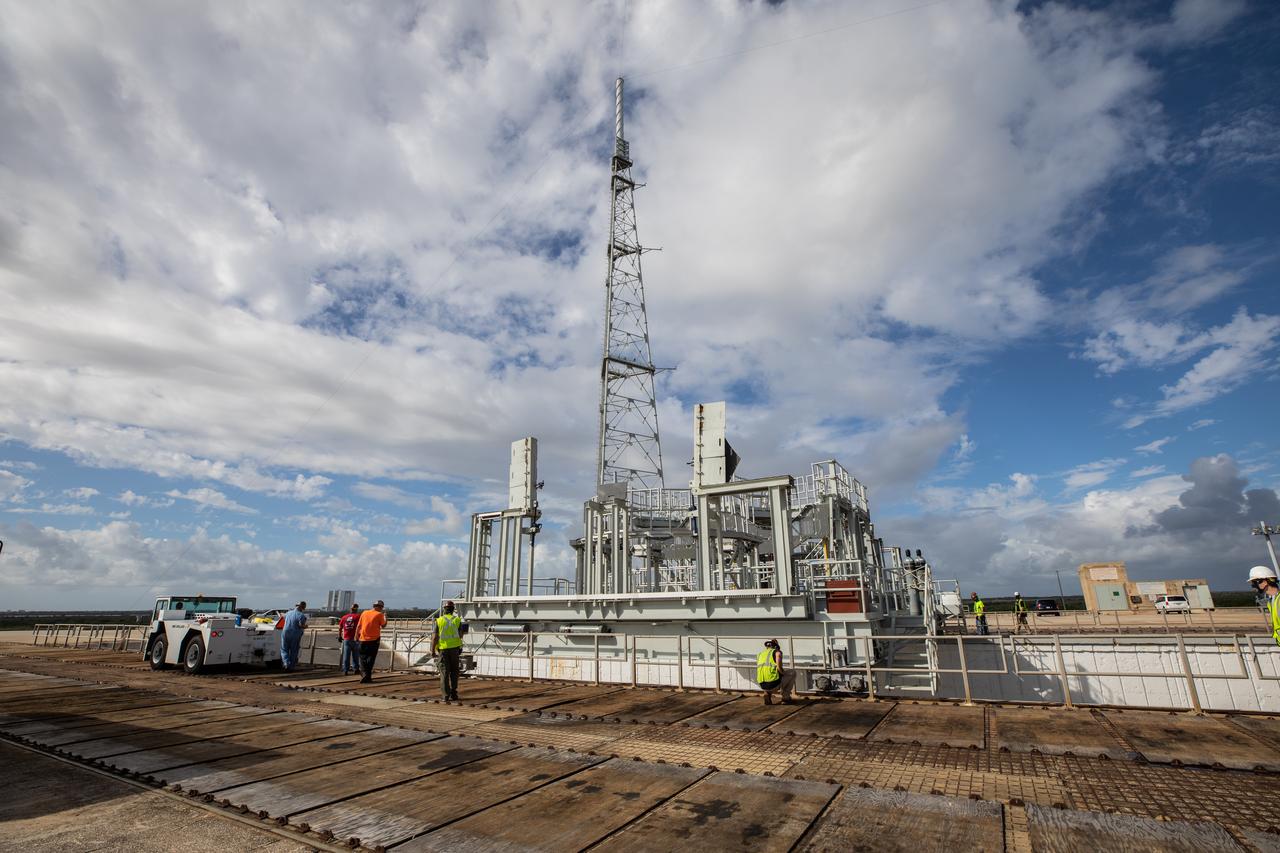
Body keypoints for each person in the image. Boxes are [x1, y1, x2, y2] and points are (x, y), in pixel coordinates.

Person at [431, 600, 464, 701]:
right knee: (454, 672)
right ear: (453, 610)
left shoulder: (439, 621)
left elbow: (435, 637)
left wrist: (432, 650)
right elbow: (461, 635)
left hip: (443, 650)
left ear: (444, 609)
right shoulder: (457, 620)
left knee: (444, 672)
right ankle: (454, 693)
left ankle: (445, 695)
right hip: (455, 649)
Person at [755, 639, 794, 705]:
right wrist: (783, 674)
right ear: (776, 646)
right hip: (774, 684)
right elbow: (779, 668)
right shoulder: (777, 652)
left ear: (766, 646)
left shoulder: (759, 654)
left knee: (767, 675)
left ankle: (766, 693)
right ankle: (786, 698)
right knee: (792, 673)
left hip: (762, 685)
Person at [356, 600, 387, 683]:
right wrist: (385, 617)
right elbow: (383, 625)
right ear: (380, 607)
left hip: (362, 639)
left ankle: (365, 675)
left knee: (362, 658)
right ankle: (367, 676)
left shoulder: (364, 612)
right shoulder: (379, 614)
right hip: (374, 640)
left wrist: (356, 637)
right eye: (382, 607)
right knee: (370, 659)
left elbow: (359, 626)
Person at [1248, 566, 1280, 646]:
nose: (1253, 587)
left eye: (1254, 583)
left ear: (1264, 582)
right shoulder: (1271, 601)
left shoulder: (1278, 601)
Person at [280, 601, 308, 671]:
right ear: (303, 607)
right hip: (295, 634)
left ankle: (286, 663)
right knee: (294, 650)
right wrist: (306, 626)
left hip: (285, 633)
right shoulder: (301, 615)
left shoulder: (288, 613)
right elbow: (301, 625)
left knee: (284, 649)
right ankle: (291, 666)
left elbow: (282, 616)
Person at [338, 603, 361, 675]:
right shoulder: (358, 616)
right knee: (356, 655)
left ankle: (345, 670)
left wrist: (339, 636)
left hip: (346, 639)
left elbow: (340, 628)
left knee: (346, 655)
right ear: (357, 609)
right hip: (355, 638)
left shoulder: (344, 617)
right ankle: (356, 669)